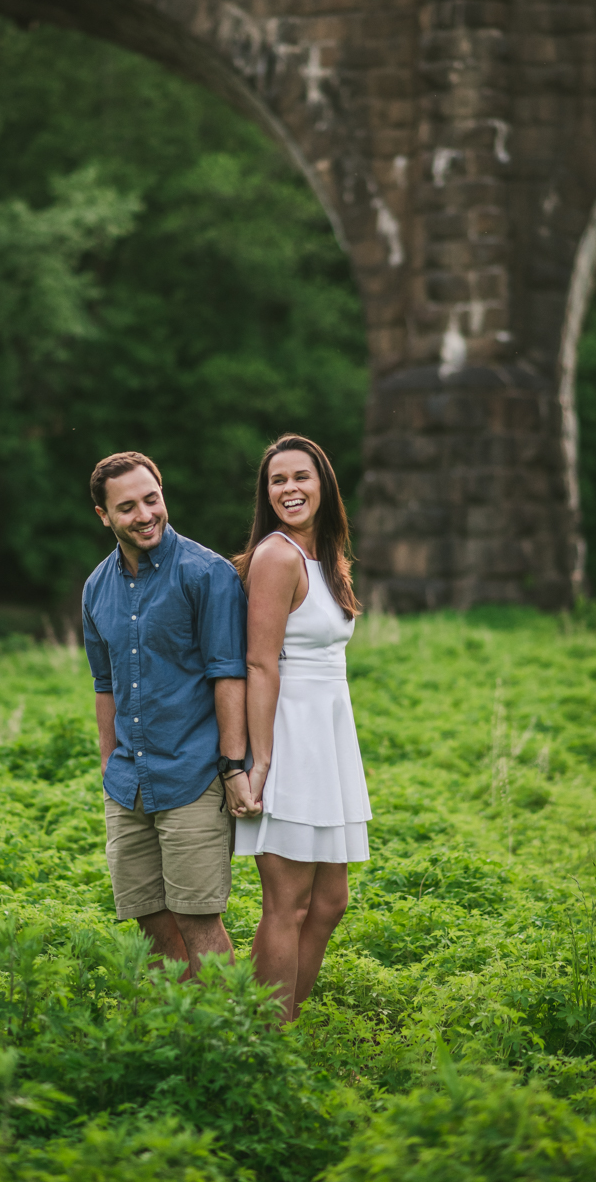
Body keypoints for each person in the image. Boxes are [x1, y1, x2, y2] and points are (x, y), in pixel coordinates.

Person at [83, 451, 260, 977]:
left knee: (197, 920)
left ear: (164, 495)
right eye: (127, 506)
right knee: (149, 920)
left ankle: (228, 1040)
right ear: (104, 516)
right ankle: (178, 1037)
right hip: (128, 781)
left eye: (151, 499)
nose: (144, 515)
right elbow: (104, 683)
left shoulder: (207, 574)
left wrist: (232, 766)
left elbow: (229, 674)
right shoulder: (97, 587)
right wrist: (107, 763)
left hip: (193, 774)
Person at [233, 434, 372, 1021]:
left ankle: (281, 1021)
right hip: (287, 739)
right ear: (267, 494)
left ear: (324, 485)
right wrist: (258, 761)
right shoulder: (277, 556)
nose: (290, 489)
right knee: (287, 903)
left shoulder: (325, 557)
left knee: (329, 902)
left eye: (301, 477)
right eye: (277, 480)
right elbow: (260, 662)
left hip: (328, 741)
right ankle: (265, 1038)